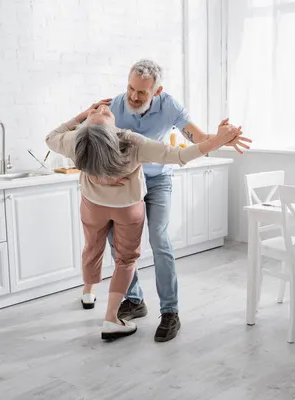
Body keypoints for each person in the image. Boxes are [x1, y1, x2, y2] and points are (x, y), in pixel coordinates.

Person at [45, 100, 242, 340]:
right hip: (127, 208)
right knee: (125, 259)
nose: (102, 109)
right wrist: (217, 141)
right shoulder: (131, 141)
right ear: (110, 131)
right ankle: (111, 318)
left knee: (92, 247)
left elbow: (51, 137)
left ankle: (89, 292)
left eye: (101, 110)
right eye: (102, 113)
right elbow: (179, 155)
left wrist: (84, 114)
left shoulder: (77, 140)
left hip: (94, 205)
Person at [108, 59, 252, 342]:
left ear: (157, 91)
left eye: (143, 93)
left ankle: (170, 312)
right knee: (117, 240)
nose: (134, 97)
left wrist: (222, 138)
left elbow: (198, 138)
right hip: (126, 182)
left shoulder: (169, 106)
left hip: (158, 180)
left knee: (159, 239)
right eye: (131, 88)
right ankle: (134, 299)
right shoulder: (115, 106)